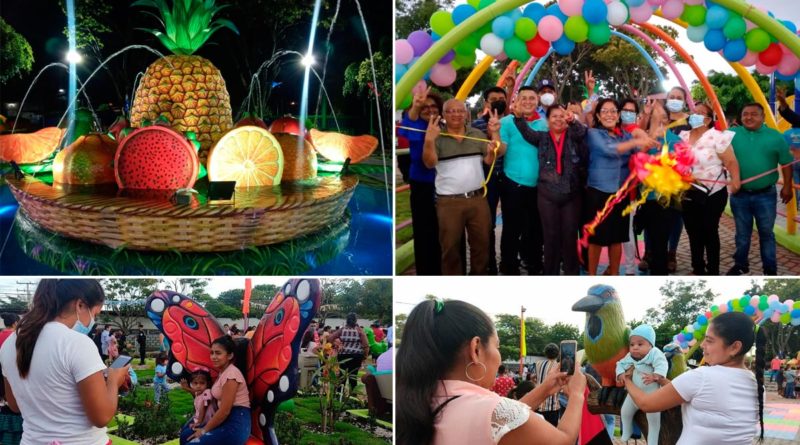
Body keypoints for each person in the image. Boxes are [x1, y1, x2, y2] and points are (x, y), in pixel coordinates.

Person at [397, 299, 587, 445]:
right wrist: (577, 394)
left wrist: (544, 389)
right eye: (497, 346)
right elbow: (564, 440)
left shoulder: (418, 399)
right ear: (476, 349)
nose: (499, 357)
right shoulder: (490, 411)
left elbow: (504, 423)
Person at [0, 279, 129, 445]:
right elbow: (101, 417)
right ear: (80, 305)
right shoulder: (76, 343)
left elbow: (15, 405)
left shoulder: (10, 344)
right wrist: (113, 380)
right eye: (95, 314)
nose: (92, 321)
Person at [621, 311, 765, 443]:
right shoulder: (758, 386)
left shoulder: (701, 377)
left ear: (734, 347)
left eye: (709, 340)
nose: (702, 345)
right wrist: (662, 380)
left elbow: (646, 404)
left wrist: (627, 379)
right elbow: (705, 400)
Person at [423, 99, 504, 275]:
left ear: (466, 113)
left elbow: (491, 158)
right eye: (450, 111)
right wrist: (429, 140)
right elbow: (429, 163)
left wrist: (495, 136)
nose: (456, 114)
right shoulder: (436, 137)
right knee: (450, 248)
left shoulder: (476, 134)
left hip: (477, 200)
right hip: (449, 203)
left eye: (460, 110)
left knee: (482, 246)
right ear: (443, 115)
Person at [512, 102, 589, 275]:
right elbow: (526, 132)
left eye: (562, 116)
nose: (558, 119)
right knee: (550, 237)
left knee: (569, 236)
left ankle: (571, 273)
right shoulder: (542, 137)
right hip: (547, 195)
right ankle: (550, 273)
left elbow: (582, 131)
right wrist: (518, 117)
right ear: (547, 121)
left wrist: (574, 121)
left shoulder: (573, 135)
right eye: (554, 116)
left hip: (571, 195)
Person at [585, 98, 658, 275]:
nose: (609, 115)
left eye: (613, 111)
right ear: (598, 116)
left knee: (616, 239)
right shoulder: (593, 134)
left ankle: (615, 273)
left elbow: (639, 155)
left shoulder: (626, 136)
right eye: (604, 111)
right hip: (597, 193)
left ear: (618, 116)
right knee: (595, 240)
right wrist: (636, 141)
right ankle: (591, 275)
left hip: (620, 195)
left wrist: (649, 139)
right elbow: (610, 149)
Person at [727, 103, 794, 275]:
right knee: (742, 235)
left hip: (766, 195)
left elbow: (786, 163)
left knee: (766, 234)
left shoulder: (776, 137)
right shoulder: (731, 135)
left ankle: (770, 269)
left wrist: (787, 186)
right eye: (745, 114)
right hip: (739, 196)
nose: (748, 117)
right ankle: (740, 264)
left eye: (754, 114)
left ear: (763, 117)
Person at [680, 103, 741, 275]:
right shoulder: (682, 136)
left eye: (701, 113)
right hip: (687, 192)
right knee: (692, 231)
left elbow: (730, 161)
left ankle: (713, 269)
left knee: (709, 230)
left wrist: (736, 181)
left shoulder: (717, 137)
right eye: (694, 112)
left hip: (713, 192)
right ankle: (697, 267)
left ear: (708, 119)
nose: (696, 116)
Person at [497, 86, 545, 275]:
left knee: (534, 227)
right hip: (512, 182)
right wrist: (494, 139)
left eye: (532, 98)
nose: (527, 102)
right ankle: (509, 264)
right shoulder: (505, 123)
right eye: (523, 98)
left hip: (538, 186)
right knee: (511, 227)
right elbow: (501, 150)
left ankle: (533, 261)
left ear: (537, 101)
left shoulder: (543, 124)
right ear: (516, 100)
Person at [399, 85, 444, 275]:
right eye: (425, 107)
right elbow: (406, 127)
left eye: (433, 106)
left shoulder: (444, 126)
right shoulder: (416, 125)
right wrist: (416, 106)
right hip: (422, 186)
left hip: (444, 186)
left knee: (441, 231)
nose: (430, 110)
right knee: (424, 231)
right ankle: (427, 271)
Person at [180, 336, 251, 444]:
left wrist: (204, 430)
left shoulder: (231, 375)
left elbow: (225, 410)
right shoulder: (222, 372)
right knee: (185, 435)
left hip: (236, 423)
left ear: (230, 355)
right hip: (224, 419)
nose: (213, 357)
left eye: (218, 353)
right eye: (212, 353)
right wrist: (200, 421)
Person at [474, 85, 514, 274]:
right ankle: (489, 264)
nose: (498, 101)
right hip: (486, 179)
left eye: (502, 98)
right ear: (486, 103)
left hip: (507, 177)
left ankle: (508, 261)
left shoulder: (512, 123)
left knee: (511, 221)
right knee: (487, 222)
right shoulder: (476, 126)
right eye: (494, 99)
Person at [614, 324, 668, 445]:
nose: (635, 348)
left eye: (640, 344)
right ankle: (627, 430)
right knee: (625, 412)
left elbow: (662, 364)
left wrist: (656, 375)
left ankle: (653, 442)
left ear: (650, 345)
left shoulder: (654, 353)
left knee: (653, 421)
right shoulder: (630, 356)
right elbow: (620, 364)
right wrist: (621, 373)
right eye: (632, 345)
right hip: (634, 393)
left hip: (652, 395)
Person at [328, 313, 370, 392]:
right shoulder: (360, 330)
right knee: (353, 376)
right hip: (356, 356)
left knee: (342, 375)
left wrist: (337, 345)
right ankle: (352, 396)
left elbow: (330, 338)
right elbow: (366, 345)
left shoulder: (342, 330)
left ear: (347, 320)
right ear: (356, 320)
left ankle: (339, 394)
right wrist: (364, 356)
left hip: (343, 355)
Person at [532, 343, 562, 426]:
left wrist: (536, 383)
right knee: (551, 434)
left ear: (545, 353)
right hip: (552, 407)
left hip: (538, 404)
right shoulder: (559, 366)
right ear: (558, 353)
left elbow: (533, 377)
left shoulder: (538, 364)